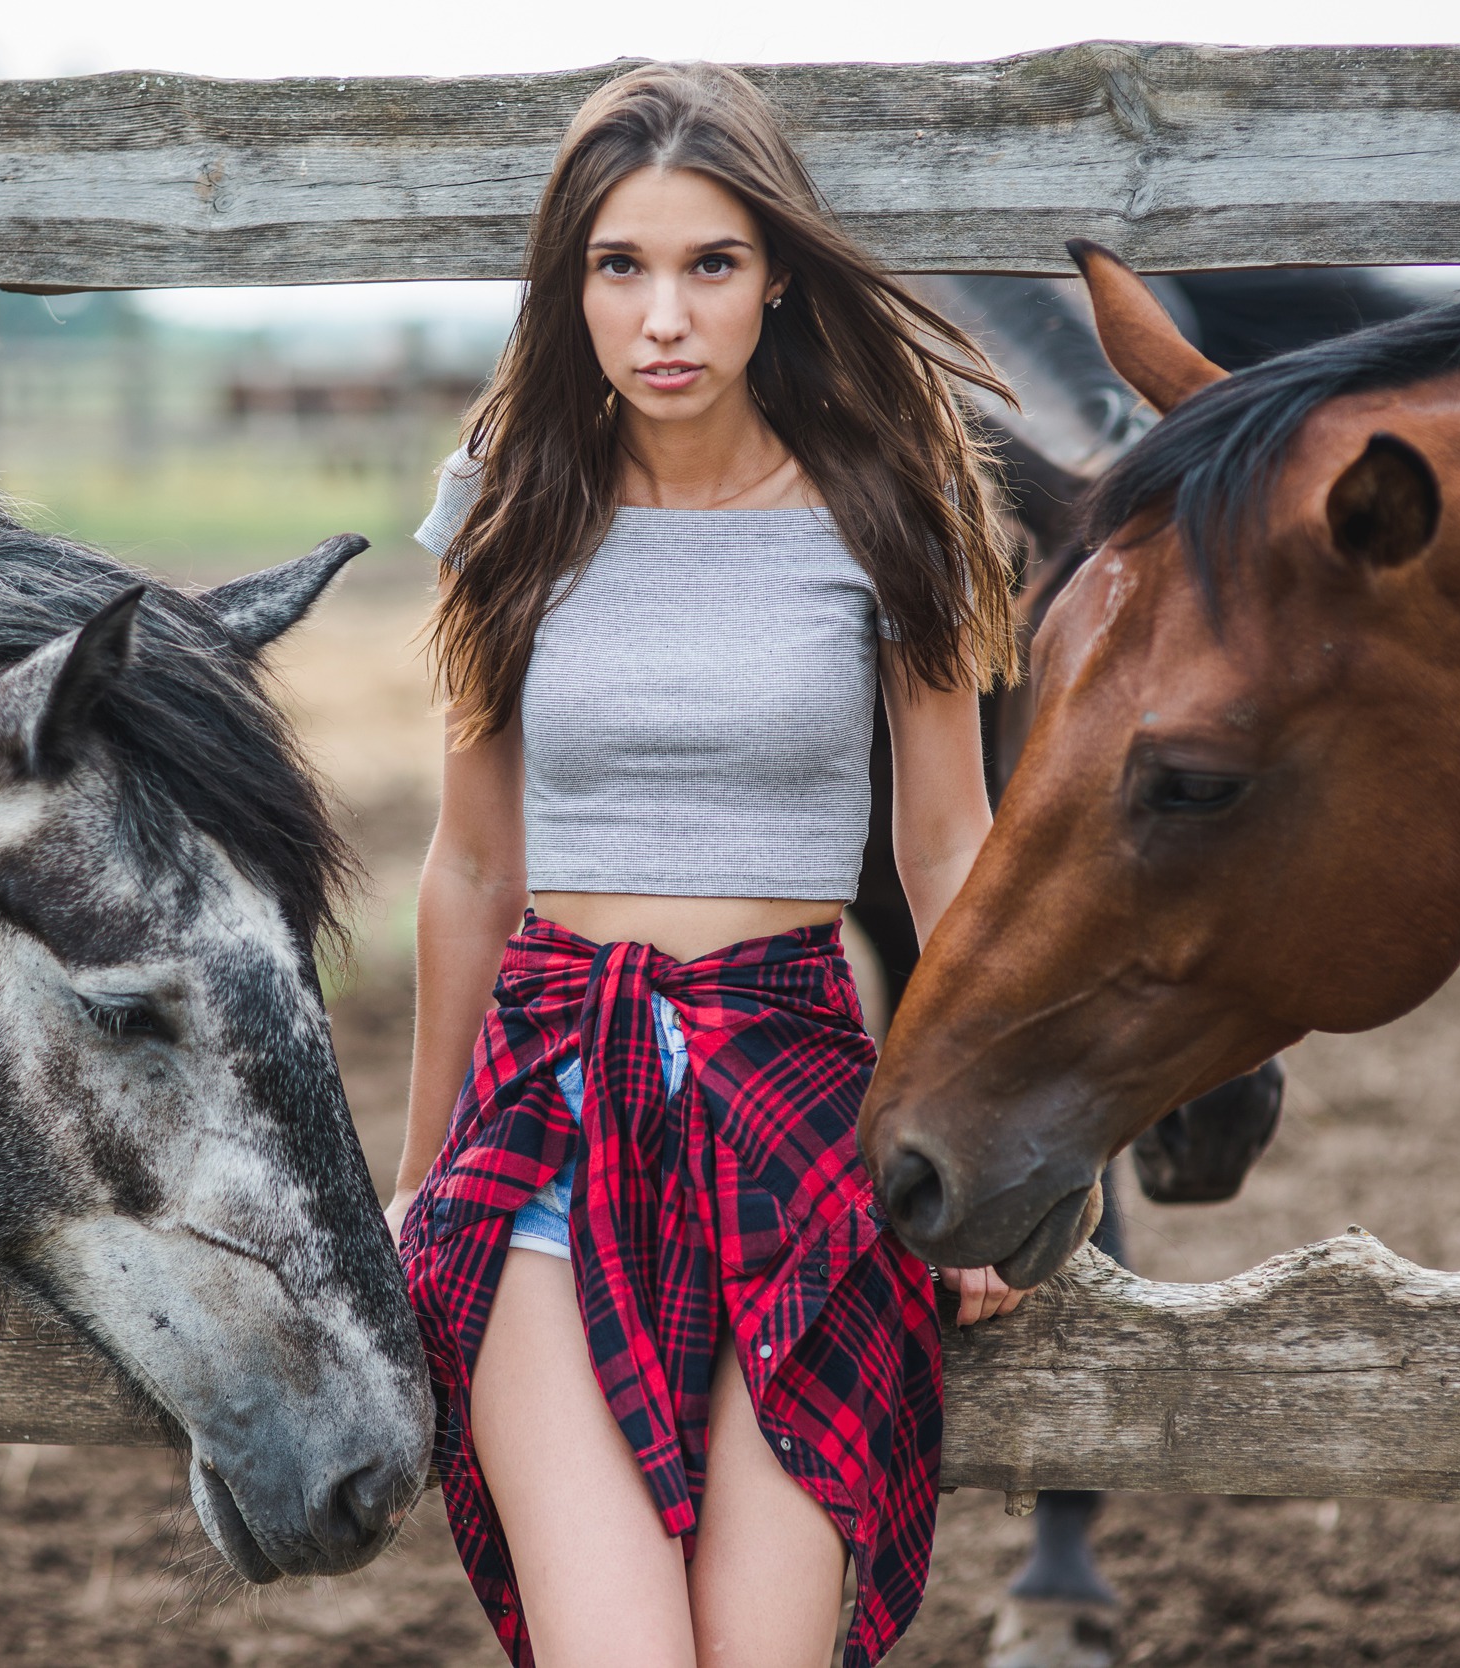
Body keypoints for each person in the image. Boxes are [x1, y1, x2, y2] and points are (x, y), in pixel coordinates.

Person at [385, 61, 1026, 1668]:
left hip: (797, 1100)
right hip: (547, 1113)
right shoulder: (505, 508)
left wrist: (996, 1171)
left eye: (709, 266)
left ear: (777, 279)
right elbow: (471, 869)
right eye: (621, 267)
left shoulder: (895, 510)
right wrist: (412, 1179)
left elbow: (951, 848)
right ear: (571, 286)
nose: (663, 316)